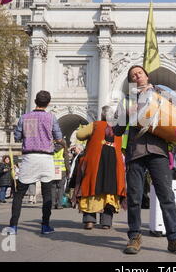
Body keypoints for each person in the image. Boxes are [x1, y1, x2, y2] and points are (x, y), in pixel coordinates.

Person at [113, 65, 176, 256]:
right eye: (133, 75)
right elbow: (116, 131)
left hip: (159, 152)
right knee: (134, 197)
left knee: (166, 196)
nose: (137, 76)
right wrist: (126, 113)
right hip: (136, 152)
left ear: (146, 76)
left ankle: (174, 239)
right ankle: (134, 237)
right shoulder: (126, 100)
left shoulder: (163, 94)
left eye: (139, 73)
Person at [9, 90, 63, 235]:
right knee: (47, 194)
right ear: (48, 103)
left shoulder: (25, 117)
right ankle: (45, 225)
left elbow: (18, 136)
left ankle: (13, 226)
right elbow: (58, 137)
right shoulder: (51, 118)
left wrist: (30, 135)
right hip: (46, 158)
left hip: (29, 157)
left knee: (19, 193)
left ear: (35, 101)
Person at [76, 106, 126, 230]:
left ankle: (89, 221)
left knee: (91, 187)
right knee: (110, 190)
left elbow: (79, 135)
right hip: (114, 166)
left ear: (102, 116)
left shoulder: (95, 125)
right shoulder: (119, 130)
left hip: (95, 163)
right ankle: (106, 222)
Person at [52, 141, 70, 209]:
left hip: (53, 170)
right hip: (62, 171)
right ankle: (59, 204)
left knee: (53, 188)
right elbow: (66, 162)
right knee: (60, 188)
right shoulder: (64, 151)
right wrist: (68, 171)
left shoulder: (52, 150)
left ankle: (53, 204)